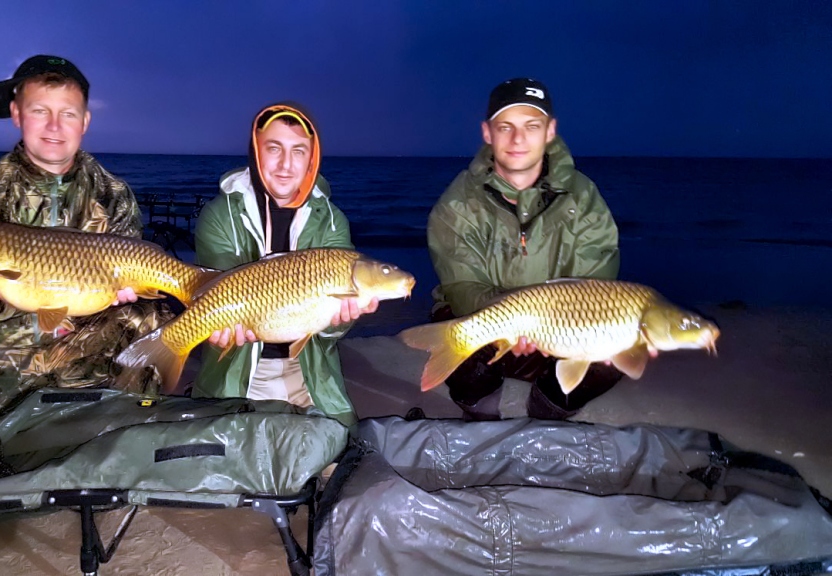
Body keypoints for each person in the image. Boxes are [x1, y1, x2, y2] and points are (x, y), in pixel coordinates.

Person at [0, 54, 171, 437]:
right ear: (16, 114)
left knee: (152, 322)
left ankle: (119, 441)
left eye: (67, 113)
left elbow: (128, 293)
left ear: (85, 121)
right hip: (6, 352)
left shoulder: (113, 194)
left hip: (87, 342)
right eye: (39, 110)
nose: (54, 126)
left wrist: (130, 294)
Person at [427, 77, 629, 421]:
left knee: (621, 344)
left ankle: (548, 409)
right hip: (488, 325)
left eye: (531, 126)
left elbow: (596, 286)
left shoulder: (584, 197)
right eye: (505, 127)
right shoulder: (456, 204)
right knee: (457, 334)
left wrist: (561, 330)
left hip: (560, 330)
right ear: (487, 133)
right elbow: (463, 288)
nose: (518, 139)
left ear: (550, 131)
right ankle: (481, 413)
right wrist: (512, 323)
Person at [192, 102, 377, 426]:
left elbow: (328, 330)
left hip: (307, 369)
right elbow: (218, 291)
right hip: (237, 369)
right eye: (273, 149)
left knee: (337, 459)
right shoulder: (219, 216)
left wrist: (338, 321)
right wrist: (210, 326)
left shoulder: (332, 222)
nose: (285, 165)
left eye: (299, 151)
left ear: (312, 159)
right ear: (255, 151)